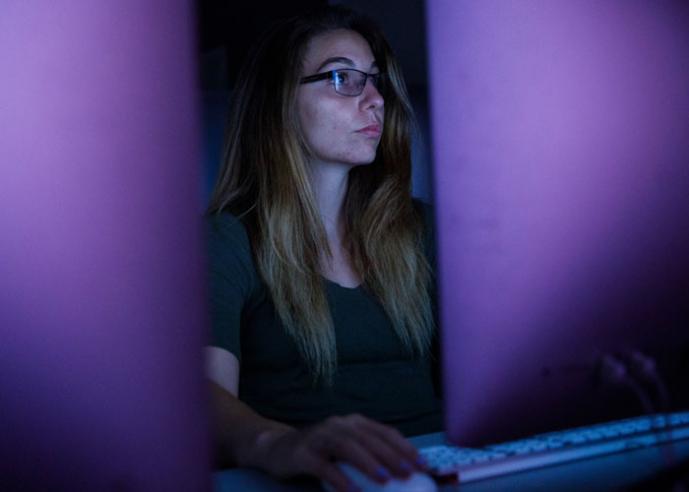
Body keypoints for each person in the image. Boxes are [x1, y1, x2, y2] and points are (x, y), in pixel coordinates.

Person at [205, 6, 441, 491]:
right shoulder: (226, 240)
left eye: (375, 81)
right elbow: (200, 395)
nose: (376, 100)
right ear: (279, 103)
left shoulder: (424, 232)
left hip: (444, 471)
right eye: (342, 78)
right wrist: (278, 443)